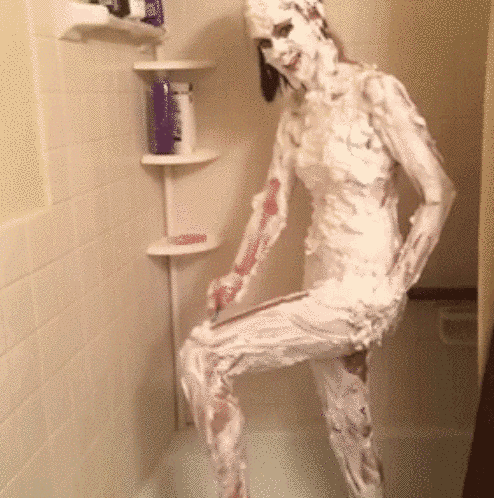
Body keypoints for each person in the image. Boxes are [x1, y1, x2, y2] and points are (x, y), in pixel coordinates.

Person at [179, 1, 457, 497]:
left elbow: (439, 193)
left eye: (285, 29)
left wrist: (395, 287)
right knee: (348, 425)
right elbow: (273, 206)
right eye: (264, 43)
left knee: (201, 356)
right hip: (322, 285)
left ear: (315, 16)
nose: (277, 50)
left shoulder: (374, 91)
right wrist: (236, 277)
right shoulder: (296, 114)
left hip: (363, 293)